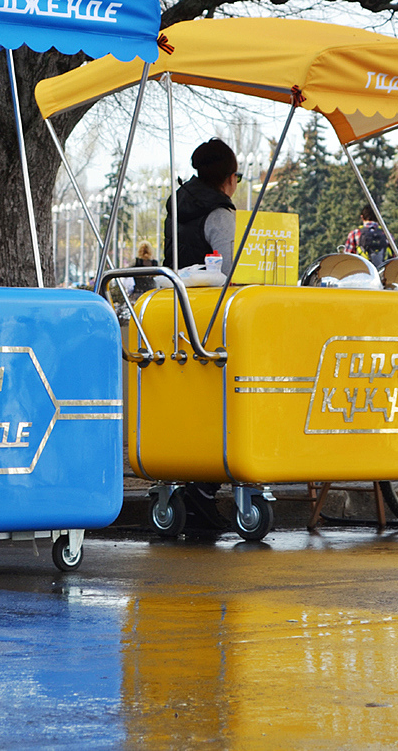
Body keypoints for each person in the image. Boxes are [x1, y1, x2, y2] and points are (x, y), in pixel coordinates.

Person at [161, 138, 239, 531]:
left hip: (171, 310)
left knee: (182, 402)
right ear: (228, 178)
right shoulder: (221, 212)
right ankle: (204, 494)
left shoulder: (176, 202)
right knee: (219, 404)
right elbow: (224, 270)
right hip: (209, 316)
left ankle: (185, 486)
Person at [162, 138, 239, 276]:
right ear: (230, 178)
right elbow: (230, 271)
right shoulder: (220, 216)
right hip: (208, 295)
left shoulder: (178, 207)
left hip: (174, 292)